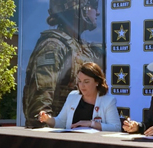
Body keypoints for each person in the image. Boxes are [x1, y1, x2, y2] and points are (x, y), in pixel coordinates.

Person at [23, 0, 103, 128]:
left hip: (78, 134)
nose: (97, 12)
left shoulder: (82, 47)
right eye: (93, 7)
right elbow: (40, 106)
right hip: (58, 138)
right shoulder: (53, 46)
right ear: (79, 9)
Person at [38, 62, 121, 132]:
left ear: (97, 82)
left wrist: (91, 124)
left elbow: (116, 128)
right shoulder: (72, 96)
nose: (82, 85)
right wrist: (48, 119)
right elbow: (61, 122)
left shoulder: (108, 101)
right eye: (80, 81)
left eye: (86, 82)